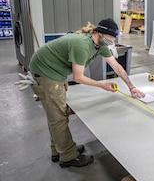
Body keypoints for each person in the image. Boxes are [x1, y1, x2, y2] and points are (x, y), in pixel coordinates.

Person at [29, 18, 145, 168]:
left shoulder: (99, 45)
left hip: (55, 72)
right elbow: (78, 77)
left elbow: (117, 67)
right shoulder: (82, 44)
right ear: (101, 34)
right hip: (46, 73)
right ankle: (68, 157)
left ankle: (59, 150)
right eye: (110, 37)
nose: (112, 41)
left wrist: (131, 87)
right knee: (58, 117)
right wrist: (102, 85)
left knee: (56, 114)